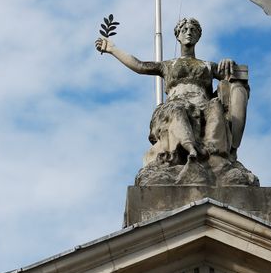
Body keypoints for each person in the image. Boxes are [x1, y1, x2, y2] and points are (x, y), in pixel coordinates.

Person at [95, 17, 248, 167]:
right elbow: (139, 66)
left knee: (215, 107)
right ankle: (191, 150)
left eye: (193, 30)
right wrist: (112, 49)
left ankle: (216, 156)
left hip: (203, 104)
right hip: (177, 102)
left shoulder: (208, 66)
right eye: (184, 29)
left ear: (198, 36)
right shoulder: (167, 65)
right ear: (178, 35)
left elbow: (233, 78)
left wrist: (229, 62)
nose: (189, 32)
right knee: (177, 109)